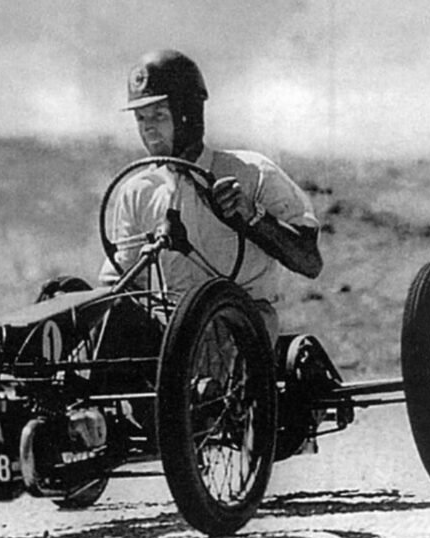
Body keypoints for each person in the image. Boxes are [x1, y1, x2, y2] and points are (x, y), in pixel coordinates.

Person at [99, 49, 323, 343]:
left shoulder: (251, 172)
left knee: (206, 340)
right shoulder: (138, 192)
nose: (148, 127)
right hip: (170, 327)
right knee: (110, 314)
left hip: (239, 324)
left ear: (188, 114)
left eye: (159, 115)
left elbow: (309, 262)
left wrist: (252, 216)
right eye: (141, 118)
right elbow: (120, 282)